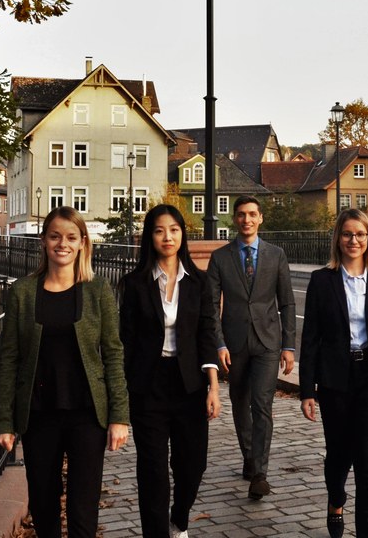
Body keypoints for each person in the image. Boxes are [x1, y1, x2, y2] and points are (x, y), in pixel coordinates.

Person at [0, 206, 130, 538]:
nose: (62, 244)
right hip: (40, 413)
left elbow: (113, 354)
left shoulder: (98, 291)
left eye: (71, 237)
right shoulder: (23, 292)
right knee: (43, 503)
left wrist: (119, 416)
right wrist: (4, 421)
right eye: (55, 236)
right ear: (43, 242)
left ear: (83, 242)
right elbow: (10, 358)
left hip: (87, 413)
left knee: (83, 507)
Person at [299, 209, 368, 538]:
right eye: (348, 234)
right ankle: (336, 500)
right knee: (338, 455)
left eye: (360, 234)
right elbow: (311, 339)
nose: (354, 240)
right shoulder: (322, 281)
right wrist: (307, 390)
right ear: (338, 238)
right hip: (335, 379)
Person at [120, 204, 222, 538]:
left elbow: (207, 333)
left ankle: (178, 518)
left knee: (192, 466)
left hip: (189, 385)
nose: (168, 236)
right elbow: (127, 340)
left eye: (174, 229)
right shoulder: (134, 284)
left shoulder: (199, 282)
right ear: (150, 236)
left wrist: (213, 387)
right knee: (153, 471)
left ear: (183, 234)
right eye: (160, 230)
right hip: (148, 386)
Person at [207, 195, 297, 500]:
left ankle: (259, 473)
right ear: (234, 219)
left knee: (262, 404)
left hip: (268, 341)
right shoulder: (220, 258)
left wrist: (288, 346)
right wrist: (218, 343)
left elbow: (286, 301)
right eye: (241, 215)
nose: (247, 220)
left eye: (252, 215)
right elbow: (210, 307)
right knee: (240, 402)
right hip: (234, 344)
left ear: (260, 219)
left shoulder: (276, 255)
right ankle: (249, 456)